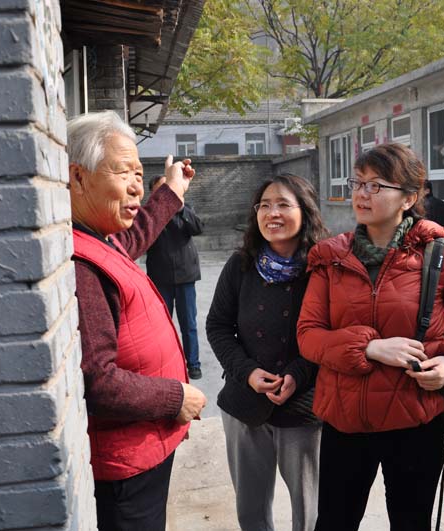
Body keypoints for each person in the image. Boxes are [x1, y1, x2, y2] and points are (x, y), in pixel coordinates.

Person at [297, 143, 444, 531]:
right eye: (358, 183)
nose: (361, 194)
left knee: (411, 523)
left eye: (376, 185)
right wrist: (369, 347)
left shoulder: (442, 256)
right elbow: (308, 335)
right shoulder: (330, 258)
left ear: (408, 198)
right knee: (334, 523)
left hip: (415, 424)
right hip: (345, 421)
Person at [68, 110, 207, 531]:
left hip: (142, 448)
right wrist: (175, 398)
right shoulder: (81, 266)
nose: (136, 186)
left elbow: (135, 234)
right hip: (124, 464)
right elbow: (99, 381)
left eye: (140, 175)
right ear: (77, 177)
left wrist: (172, 190)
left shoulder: (99, 237)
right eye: (123, 172)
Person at [206, 173, 329, 531]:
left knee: (310, 511)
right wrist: (246, 372)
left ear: (305, 212)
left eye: (283, 204)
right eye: (264, 205)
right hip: (244, 404)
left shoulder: (323, 269)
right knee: (251, 510)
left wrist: (298, 374)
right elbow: (218, 326)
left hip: (304, 408)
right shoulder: (240, 265)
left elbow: (332, 335)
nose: (272, 213)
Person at [146, 175, 205, 379]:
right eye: (160, 189)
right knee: (161, 325)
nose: (166, 192)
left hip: (185, 276)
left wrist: (179, 208)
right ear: (153, 194)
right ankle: (163, 363)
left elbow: (198, 228)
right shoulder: (148, 214)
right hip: (160, 277)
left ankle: (193, 364)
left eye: (168, 187)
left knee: (189, 324)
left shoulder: (184, 208)